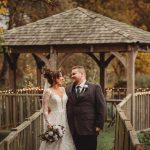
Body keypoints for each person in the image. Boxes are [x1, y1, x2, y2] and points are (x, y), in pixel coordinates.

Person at [66, 66, 106, 150]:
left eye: (74, 73)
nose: (72, 75)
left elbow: (101, 107)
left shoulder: (94, 88)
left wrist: (99, 125)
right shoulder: (68, 89)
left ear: (82, 74)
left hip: (89, 128)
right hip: (73, 128)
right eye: (71, 74)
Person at [39, 69, 76, 150]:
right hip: (54, 119)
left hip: (66, 118)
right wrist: (48, 123)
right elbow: (44, 109)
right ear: (54, 79)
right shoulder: (48, 92)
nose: (62, 78)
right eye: (60, 76)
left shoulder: (63, 89)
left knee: (66, 140)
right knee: (54, 142)